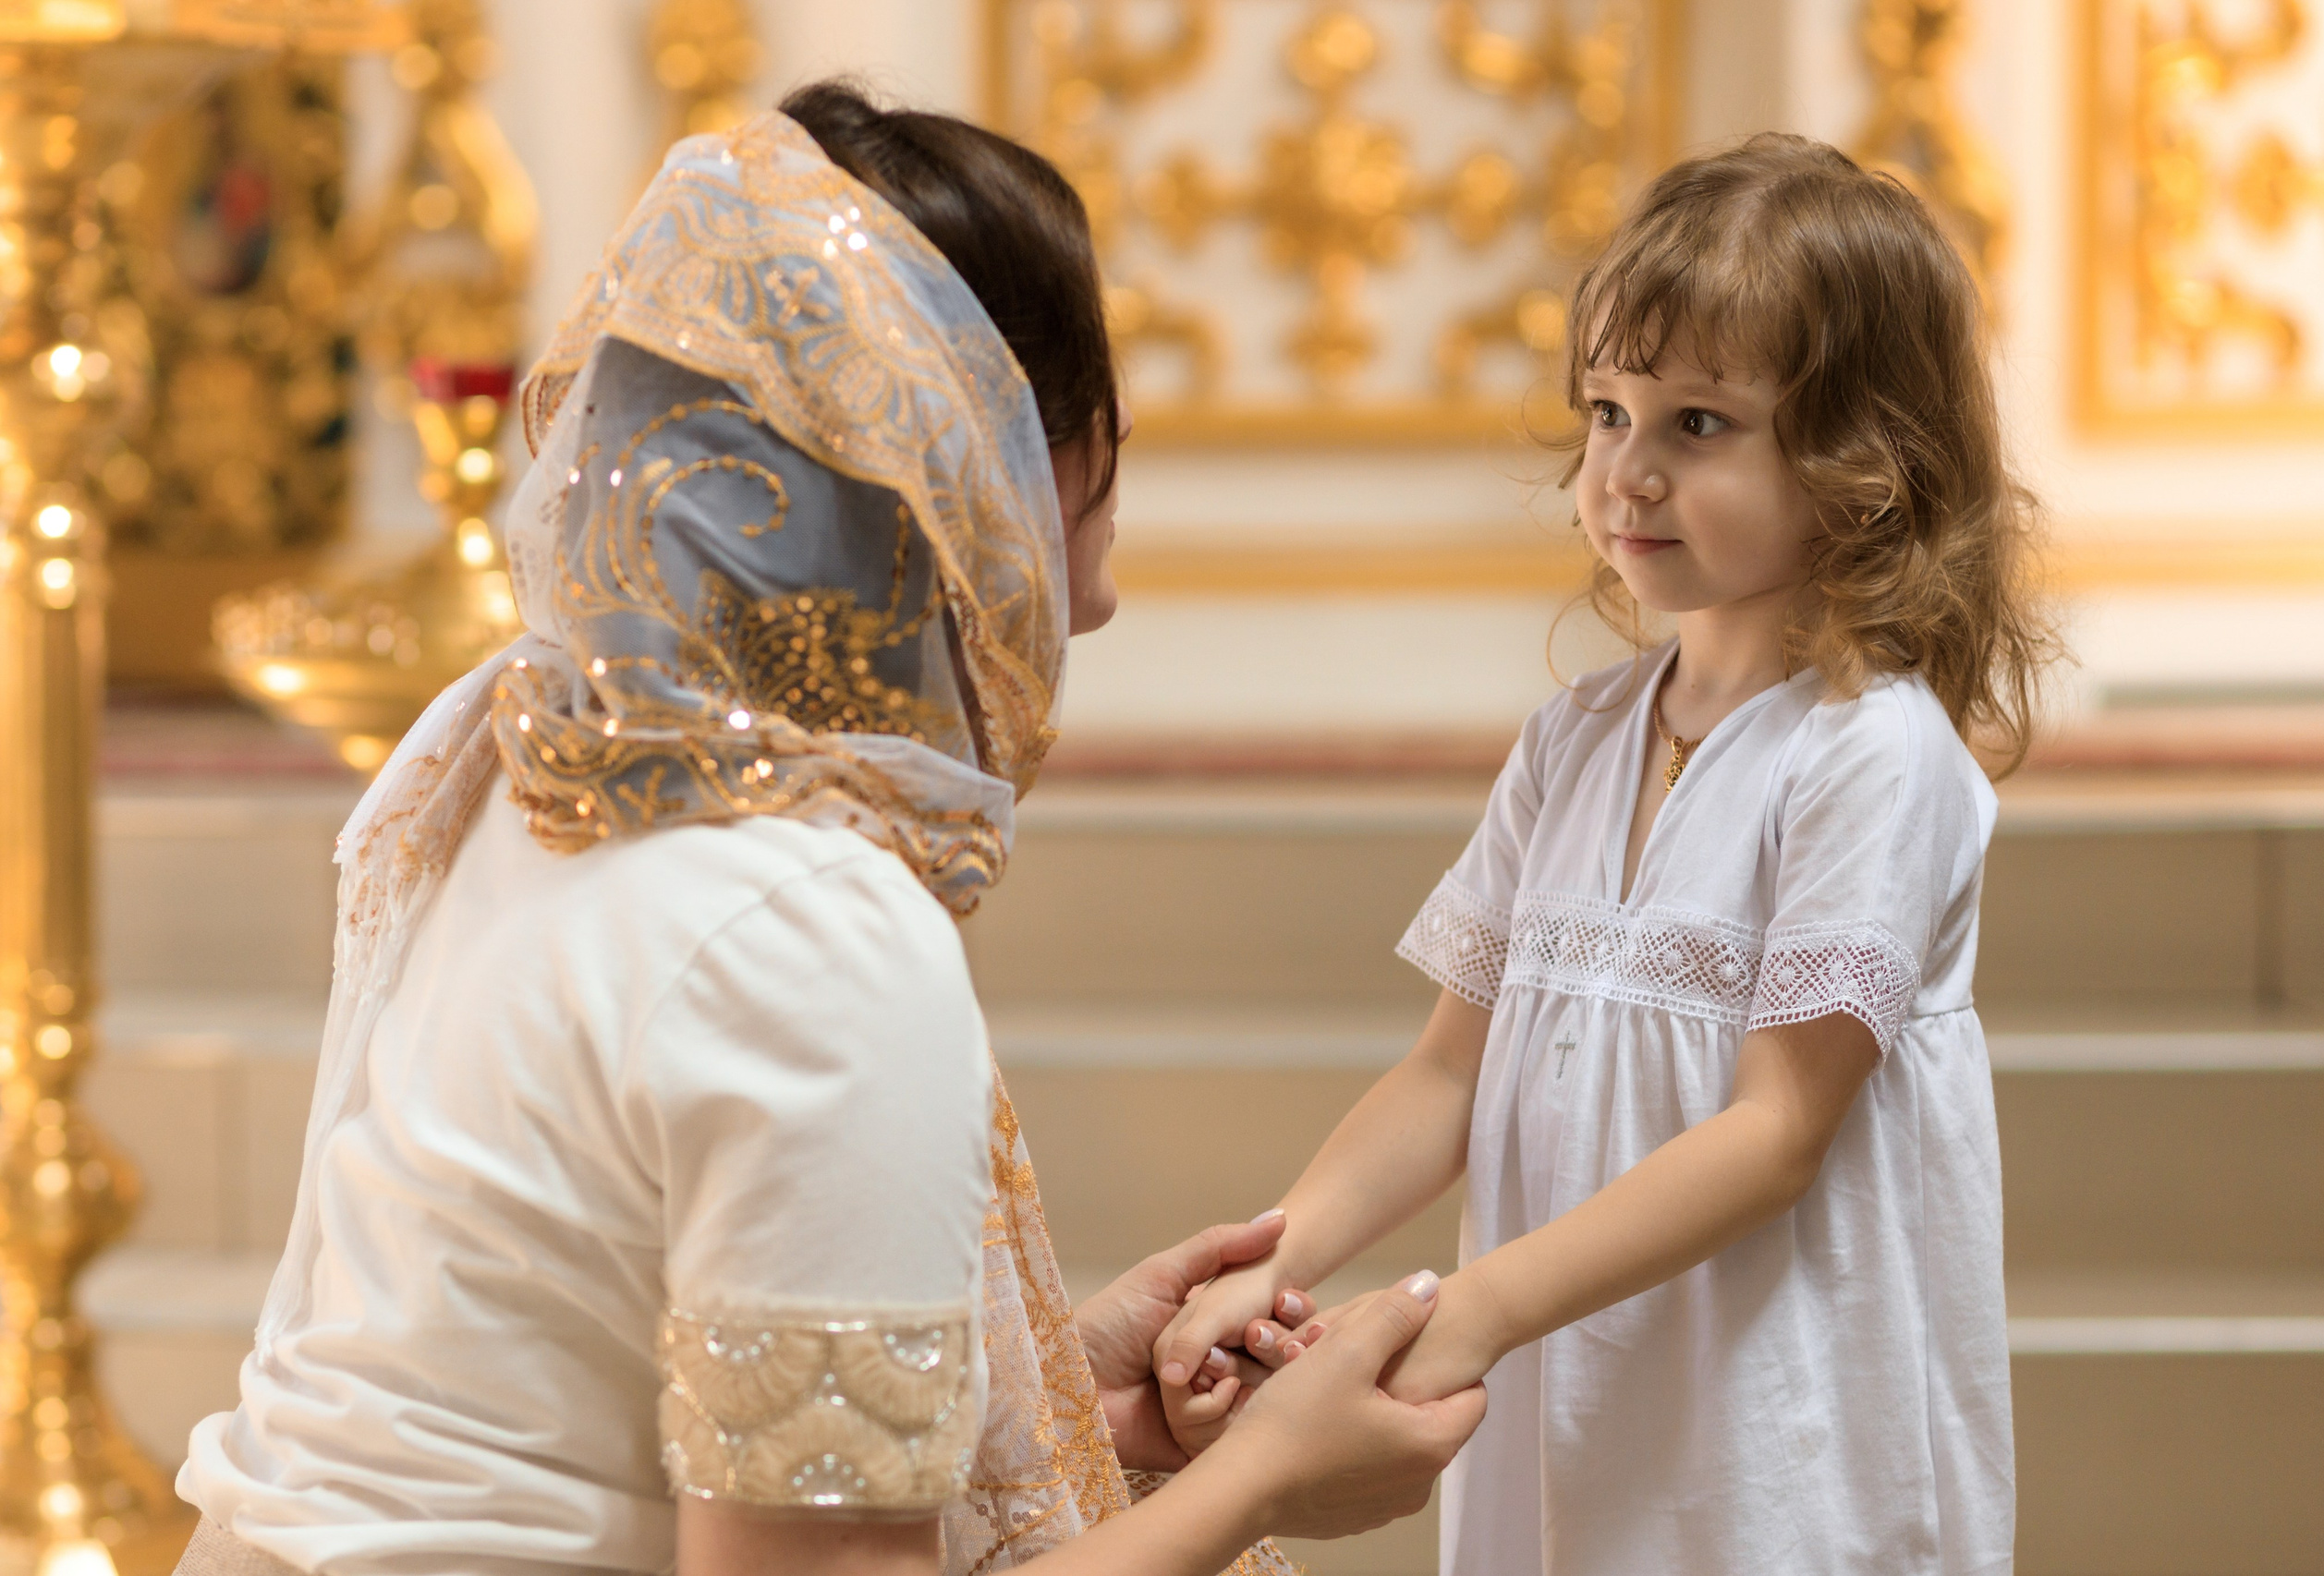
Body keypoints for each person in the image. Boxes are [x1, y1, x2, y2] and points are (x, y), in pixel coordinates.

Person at [173, 83, 1483, 1576]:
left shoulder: (508, 748)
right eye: (1083, 456)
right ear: (966, 471)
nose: (1097, 584)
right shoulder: (809, 929)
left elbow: (551, 1365)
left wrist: (1045, 1389)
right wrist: (1255, 1485)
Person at [1157, 133, 2056, 1575]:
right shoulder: (1575, 740)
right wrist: (1283, 1251)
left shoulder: (1871, 754)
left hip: (1777, 1429)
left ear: (1861, 462)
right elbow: (1451, 1068)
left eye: (1699, 423)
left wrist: (1482, 1307)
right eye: (1608, 410)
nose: (1626, 472)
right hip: (1580, 1405)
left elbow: (1775, 1136)